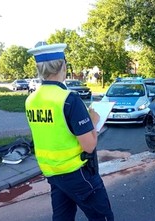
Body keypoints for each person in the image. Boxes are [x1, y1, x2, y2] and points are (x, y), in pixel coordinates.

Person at [25, 42, 114, 221]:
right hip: (78, 174)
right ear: (63, 66)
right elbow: (89, 146)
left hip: (52, 173)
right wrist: (94, 121)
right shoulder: (69, 99)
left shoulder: (31, 100)